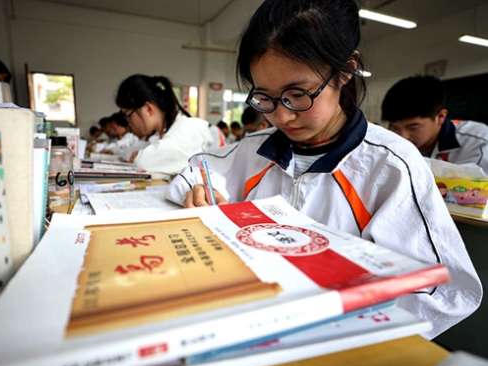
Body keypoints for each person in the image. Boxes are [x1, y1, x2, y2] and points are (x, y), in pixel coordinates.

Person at [166, 0, 482, 340]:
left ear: (346, 69)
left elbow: (446, 292)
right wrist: (197, 191)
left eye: (297, 94)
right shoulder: (254, 149)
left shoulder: (390, 167)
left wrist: (345, 323)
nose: (282, 117)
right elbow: (195, 171)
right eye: (264, 98)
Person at [381, 75, 488, 174]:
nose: (403, 137)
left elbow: (475, 184)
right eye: (394, 128)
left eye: (413, 127)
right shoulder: (389, 142)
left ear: (440, 117)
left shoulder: (479, 141)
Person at [115, 74, 215, 179]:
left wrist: (139, 157)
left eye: (128, 115)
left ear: (148, 109)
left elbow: (143, 163)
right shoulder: (164, 133)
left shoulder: (186, 130)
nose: (130, 122)